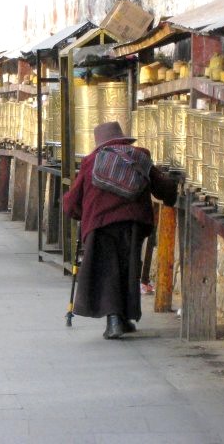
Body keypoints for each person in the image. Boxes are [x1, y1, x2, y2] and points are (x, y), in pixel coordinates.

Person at [62, 121, 178, 339]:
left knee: (108, 270)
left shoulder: (91, 161)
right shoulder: (138, 156)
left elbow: (71, 202)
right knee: (129, 268)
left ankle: (114, 320)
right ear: (123, 139)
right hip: (134, 222)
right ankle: (125, 319)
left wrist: (80, 215)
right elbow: (161, 185)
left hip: (100, 224)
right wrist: (172, 196)